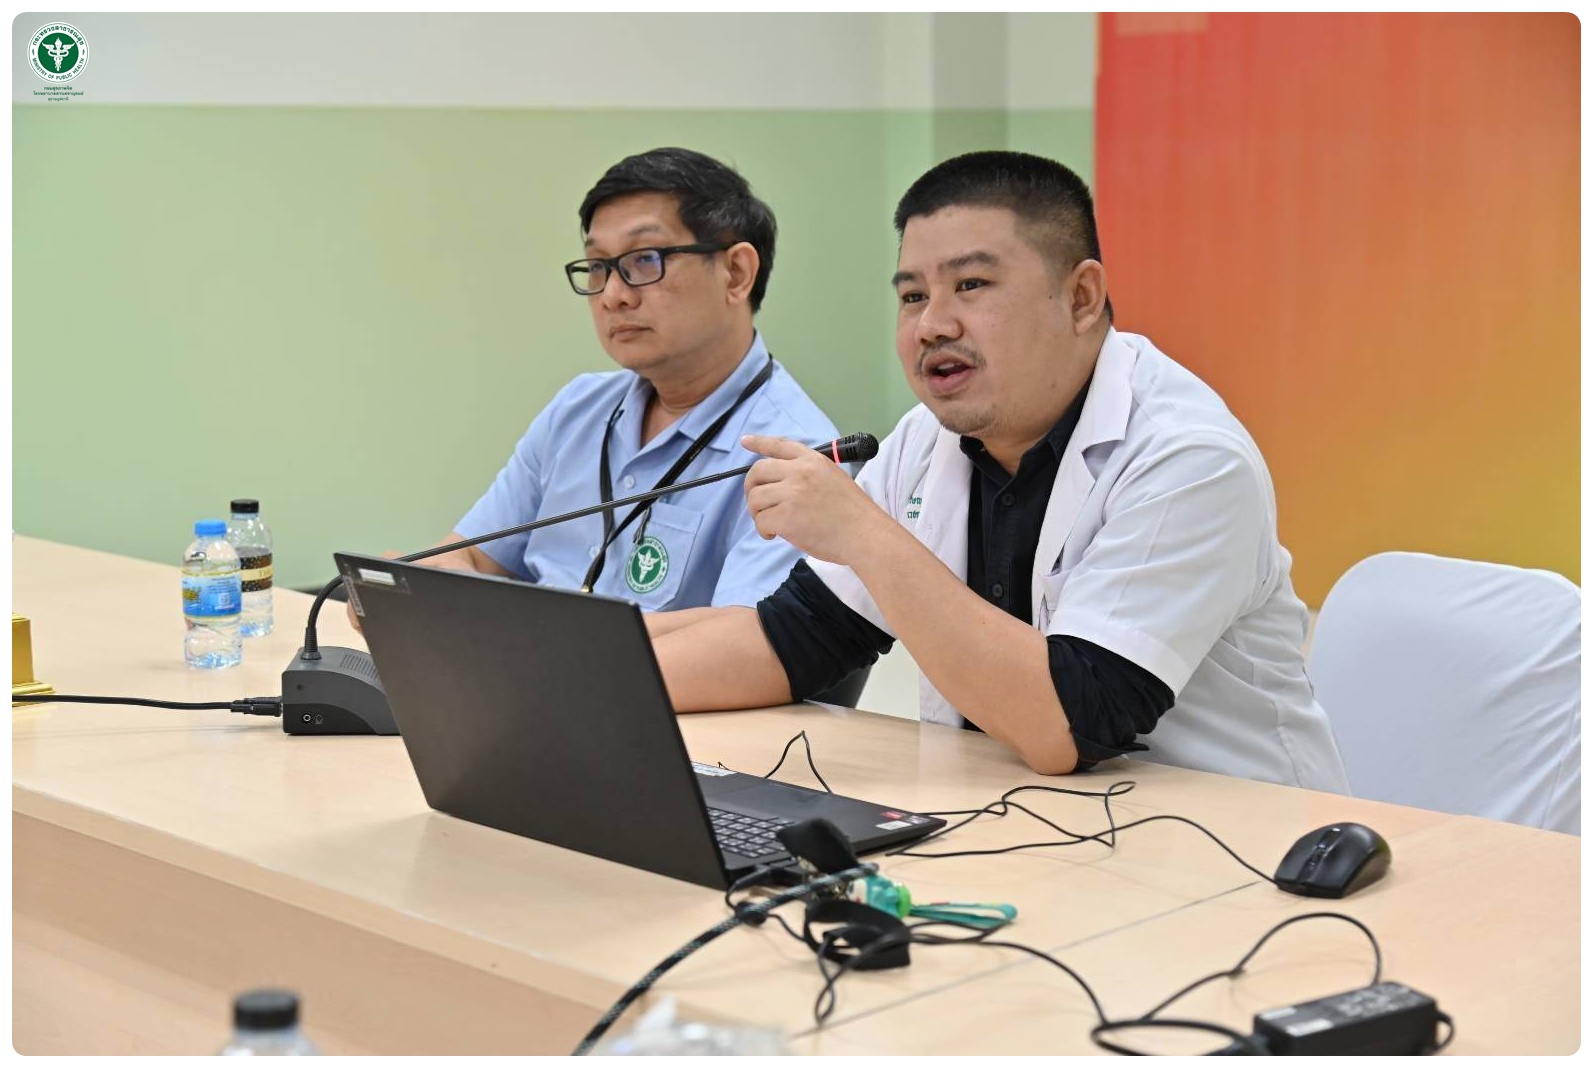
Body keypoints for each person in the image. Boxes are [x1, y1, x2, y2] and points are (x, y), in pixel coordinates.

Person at [648, 151, 1349, 792]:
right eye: (912, 296)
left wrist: (859, 531)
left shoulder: (1187, 457)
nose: (932, 325)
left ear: (1081, 298)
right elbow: (795, 639)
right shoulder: (927, 438)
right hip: (1023, 819)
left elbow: (1072, 723)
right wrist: (604, 683)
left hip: (1238, 841)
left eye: (971, 285)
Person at [350, 147, 838, 628]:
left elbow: (744, 642)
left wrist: (523, 628)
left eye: (645, 260)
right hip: (522, 670)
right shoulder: (578, 408)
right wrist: (423, 588)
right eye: (599, 266)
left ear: (736, 273)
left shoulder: (800, 455)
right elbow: (474, 558)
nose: (613, 296)